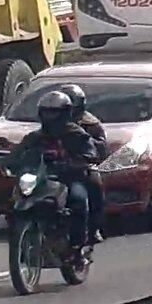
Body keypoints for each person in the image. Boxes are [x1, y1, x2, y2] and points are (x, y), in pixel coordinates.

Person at [9, 91, 103, 256]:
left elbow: (91, 152)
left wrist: (75, 160)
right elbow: (18, 153)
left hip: (69, 178)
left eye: (54, 112)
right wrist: (9, 163)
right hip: (42, 179)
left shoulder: (77, 134)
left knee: (78, 200)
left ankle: (77, 244)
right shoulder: (35, 137)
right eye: (46, 112)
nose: (49, 116)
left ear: (65, 113)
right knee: (15, 200)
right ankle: (23, 239)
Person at [61, 84, 107, 243]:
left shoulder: (90, 123)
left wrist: (84, 143)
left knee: (95, 184)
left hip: (79, 167)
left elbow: (101, 149)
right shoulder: (50, 122)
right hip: (52, 166)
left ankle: (93, 228)